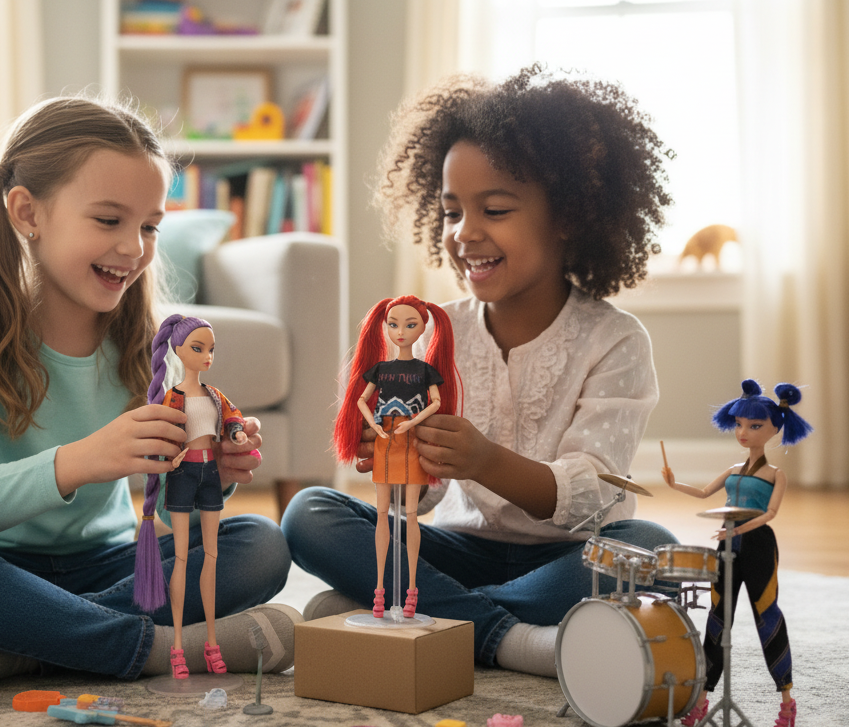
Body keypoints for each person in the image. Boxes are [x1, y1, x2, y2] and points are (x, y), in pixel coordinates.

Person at [0, 97, 298, 700]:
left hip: (117, 564)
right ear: (27, 212)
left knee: (262, 544)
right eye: (108, 220)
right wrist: (84, 459)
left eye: (149, 225)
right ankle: (144, 649)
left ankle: (16, 650)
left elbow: (167, 482)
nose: (134, 247)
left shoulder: (150, 339)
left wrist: (215, 472)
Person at [283, 65, 678, 677]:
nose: (465, 233)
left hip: (567, 557)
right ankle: (509, 637)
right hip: (453, 551)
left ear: (568, 215)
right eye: (449, 212)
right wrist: (399, 462)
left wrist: (484, 461)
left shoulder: (615, 340)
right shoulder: (432, 330)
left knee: (649, 548)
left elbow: (592, 494)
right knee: (308, 512)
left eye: (494, 209)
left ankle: (419, 617)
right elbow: (423, 499)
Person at [662, 380, 812, 727]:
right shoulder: (732, 470)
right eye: (740, 425)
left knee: (767, 614)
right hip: (727, 544)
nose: (744, 432)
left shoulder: (776, 475)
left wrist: (740, 529)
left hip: (758, 544)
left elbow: (770, 514)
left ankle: (787, 699)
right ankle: (702, 699)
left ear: (776, 428)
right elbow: (702, 494)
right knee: (718, 616)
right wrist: (673, 484)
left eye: (755, 426)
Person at [133, 314, 255, 677]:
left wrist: (237, 435)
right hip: (184, 475)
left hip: (210, 474)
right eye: (198, 349)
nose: (207, 357)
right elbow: (162, 441)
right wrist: (170, 460)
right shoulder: (173, 398)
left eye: (211, 350)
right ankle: (176, 649)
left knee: (213, 556)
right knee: (184, 558)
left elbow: (232, 419)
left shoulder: (215, 396)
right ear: (178, 350)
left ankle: (213, 642)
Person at [332, 295, 460, 619]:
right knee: (382, 513)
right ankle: (379, 591)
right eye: (393, 324)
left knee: (412, 514)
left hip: (411, 439)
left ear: (423, 328)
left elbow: (434, 403)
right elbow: (361, 399)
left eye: (410, 325)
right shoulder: (381, 370)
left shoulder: (425, 370)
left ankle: (412, 591)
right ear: (385, 327)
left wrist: (415, 423)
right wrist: (373, 422)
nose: (400, 332)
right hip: (386, 439)